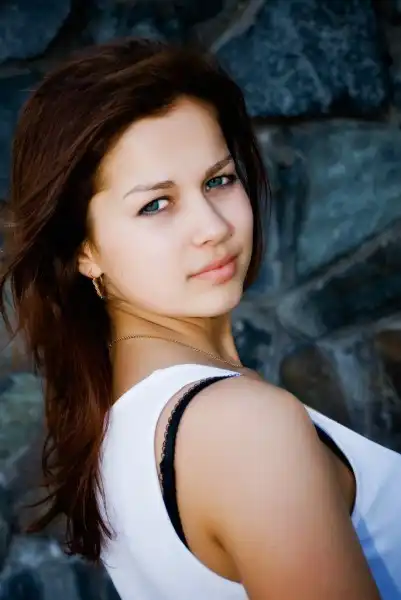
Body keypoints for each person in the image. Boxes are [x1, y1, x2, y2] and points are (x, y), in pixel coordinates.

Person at [0, 37, 400, 600]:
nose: (213, 226)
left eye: (219, 180)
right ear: (83, 249)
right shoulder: (242, 426)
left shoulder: (123, 433)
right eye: (155, 204)